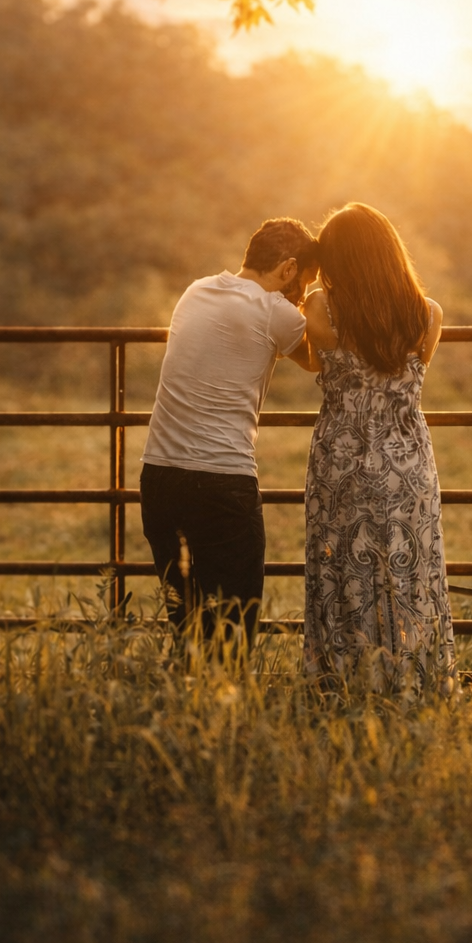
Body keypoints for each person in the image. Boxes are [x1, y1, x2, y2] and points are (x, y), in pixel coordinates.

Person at [140, 217, 319, 647]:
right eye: (303, 281)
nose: (298, 293)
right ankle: (226, 710)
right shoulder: (276, 310)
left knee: (187, 624)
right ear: (289, 268)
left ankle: (187, 705)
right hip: (222, 481)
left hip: (158, 476)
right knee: (234, 631)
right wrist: (313, 303)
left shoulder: (195, 290)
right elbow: (318, 360)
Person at [300, 203, 454, 691]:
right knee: (410, 568)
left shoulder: (321, 306)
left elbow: (312, 361)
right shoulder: (427, 314)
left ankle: (343, 683)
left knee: (341, 569)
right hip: (407, 461)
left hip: (341, 458)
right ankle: (413, 683)